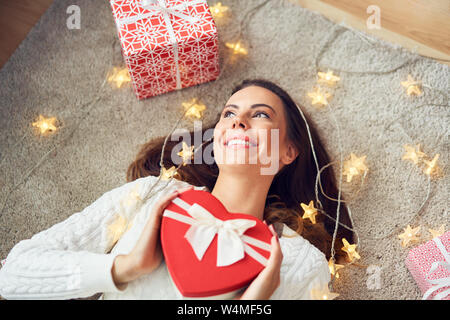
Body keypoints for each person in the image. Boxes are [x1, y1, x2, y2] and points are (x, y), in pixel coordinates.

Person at [0, 79, 354, 300]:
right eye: (229, 114)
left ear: (288, 151)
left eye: (260, 115)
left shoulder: (299, 262)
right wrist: (123, 268)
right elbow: (13, 275)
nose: (238, 121)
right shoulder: (151, 195)